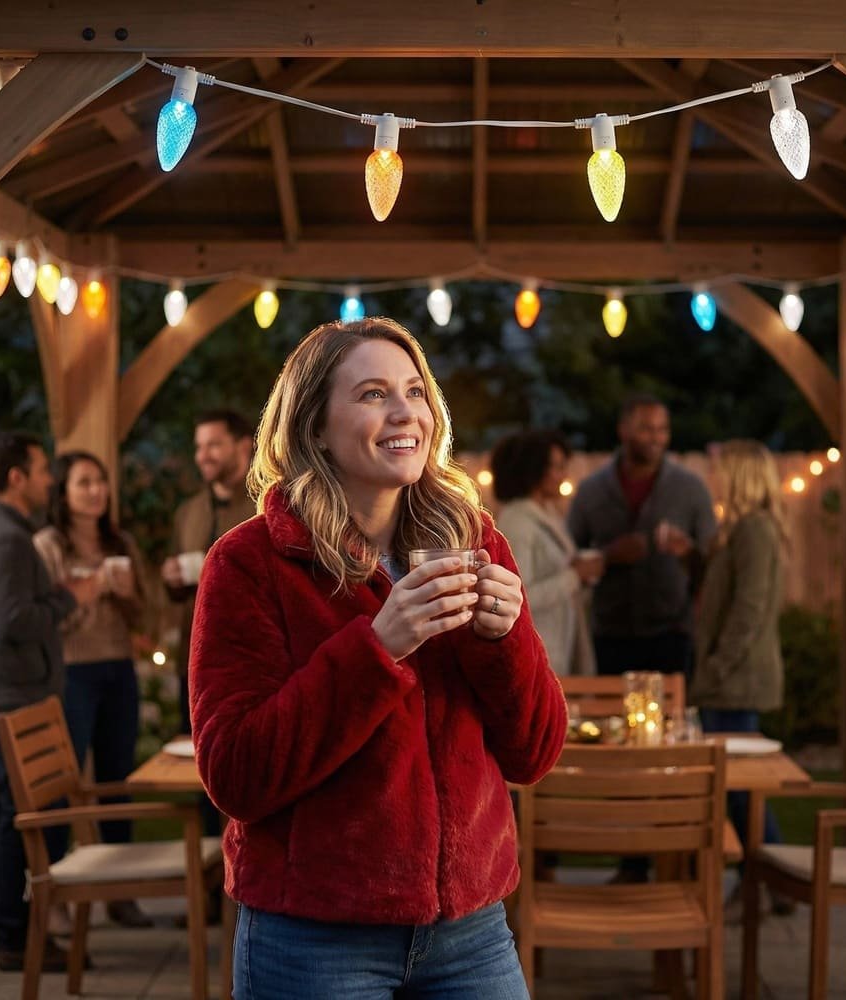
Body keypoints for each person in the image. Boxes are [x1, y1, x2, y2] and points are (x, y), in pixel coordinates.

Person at [190, 317, 567, 999]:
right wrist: (378, 648)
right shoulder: (249, 564)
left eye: (415, 391)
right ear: (313, 427)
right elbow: (235, 774)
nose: (404, 413)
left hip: (470, 931)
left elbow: (534, 753)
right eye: (372, 394)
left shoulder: (475, 543)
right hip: (313, 935)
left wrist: (503, 642)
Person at [0, 432, 100, 971]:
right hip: (13, 699)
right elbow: (13, 620)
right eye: (44, 471)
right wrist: (70, 597)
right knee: (20, 819)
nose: (50, 480)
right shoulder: (7, 540)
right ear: (17, 478)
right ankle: (18, 941)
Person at [33, 451, 152, 929]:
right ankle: (55, 893)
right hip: (72, 672)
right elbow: (46, 621)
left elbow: (145, 614)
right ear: (62, 492)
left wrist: (124, 595)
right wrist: (87, 593)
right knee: (62, 785)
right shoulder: (48, 546)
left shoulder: (118, 541)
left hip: (118, 669)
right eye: (84, 483)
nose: (96, 490)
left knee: (117, 780)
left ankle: (120, 894)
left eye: (100, 481)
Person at [689, 439, 789, 908]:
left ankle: (769, 878)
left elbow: (747, 612)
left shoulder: (755, 531)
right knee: (737, 790)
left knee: (740, 791)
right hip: (728, 676)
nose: (713, 479)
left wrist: (715, 668)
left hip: (737, 678)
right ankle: (767, 879)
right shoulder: (740, 528)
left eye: (720, 471)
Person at [567, 393, 716, 679]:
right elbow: (569, 558)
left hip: (672, 635)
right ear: (624, 430)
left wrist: (687, 551)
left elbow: (712, 564)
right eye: (647, 428)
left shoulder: (690, 489)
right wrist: (609, 556)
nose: (656, 438)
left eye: (663, 429)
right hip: (610, 634)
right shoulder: (592, 490)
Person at [161, 409, 255, 734]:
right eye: (199, 447)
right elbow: (175, 591)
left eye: (213, 445)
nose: (203, 456)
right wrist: (171, 578)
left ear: (243, 446)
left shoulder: (266, 506)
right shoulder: (188, 512)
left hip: (250, 660)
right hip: (195, 660)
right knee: (196, 761)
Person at [490, 430, 597, 676]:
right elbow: (518, 597)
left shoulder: (547, 514)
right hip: (537, 652)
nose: (563, 475)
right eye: (557, 467)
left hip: (559, 647)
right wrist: (574, 576)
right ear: (534, 470)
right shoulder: (518, 522)